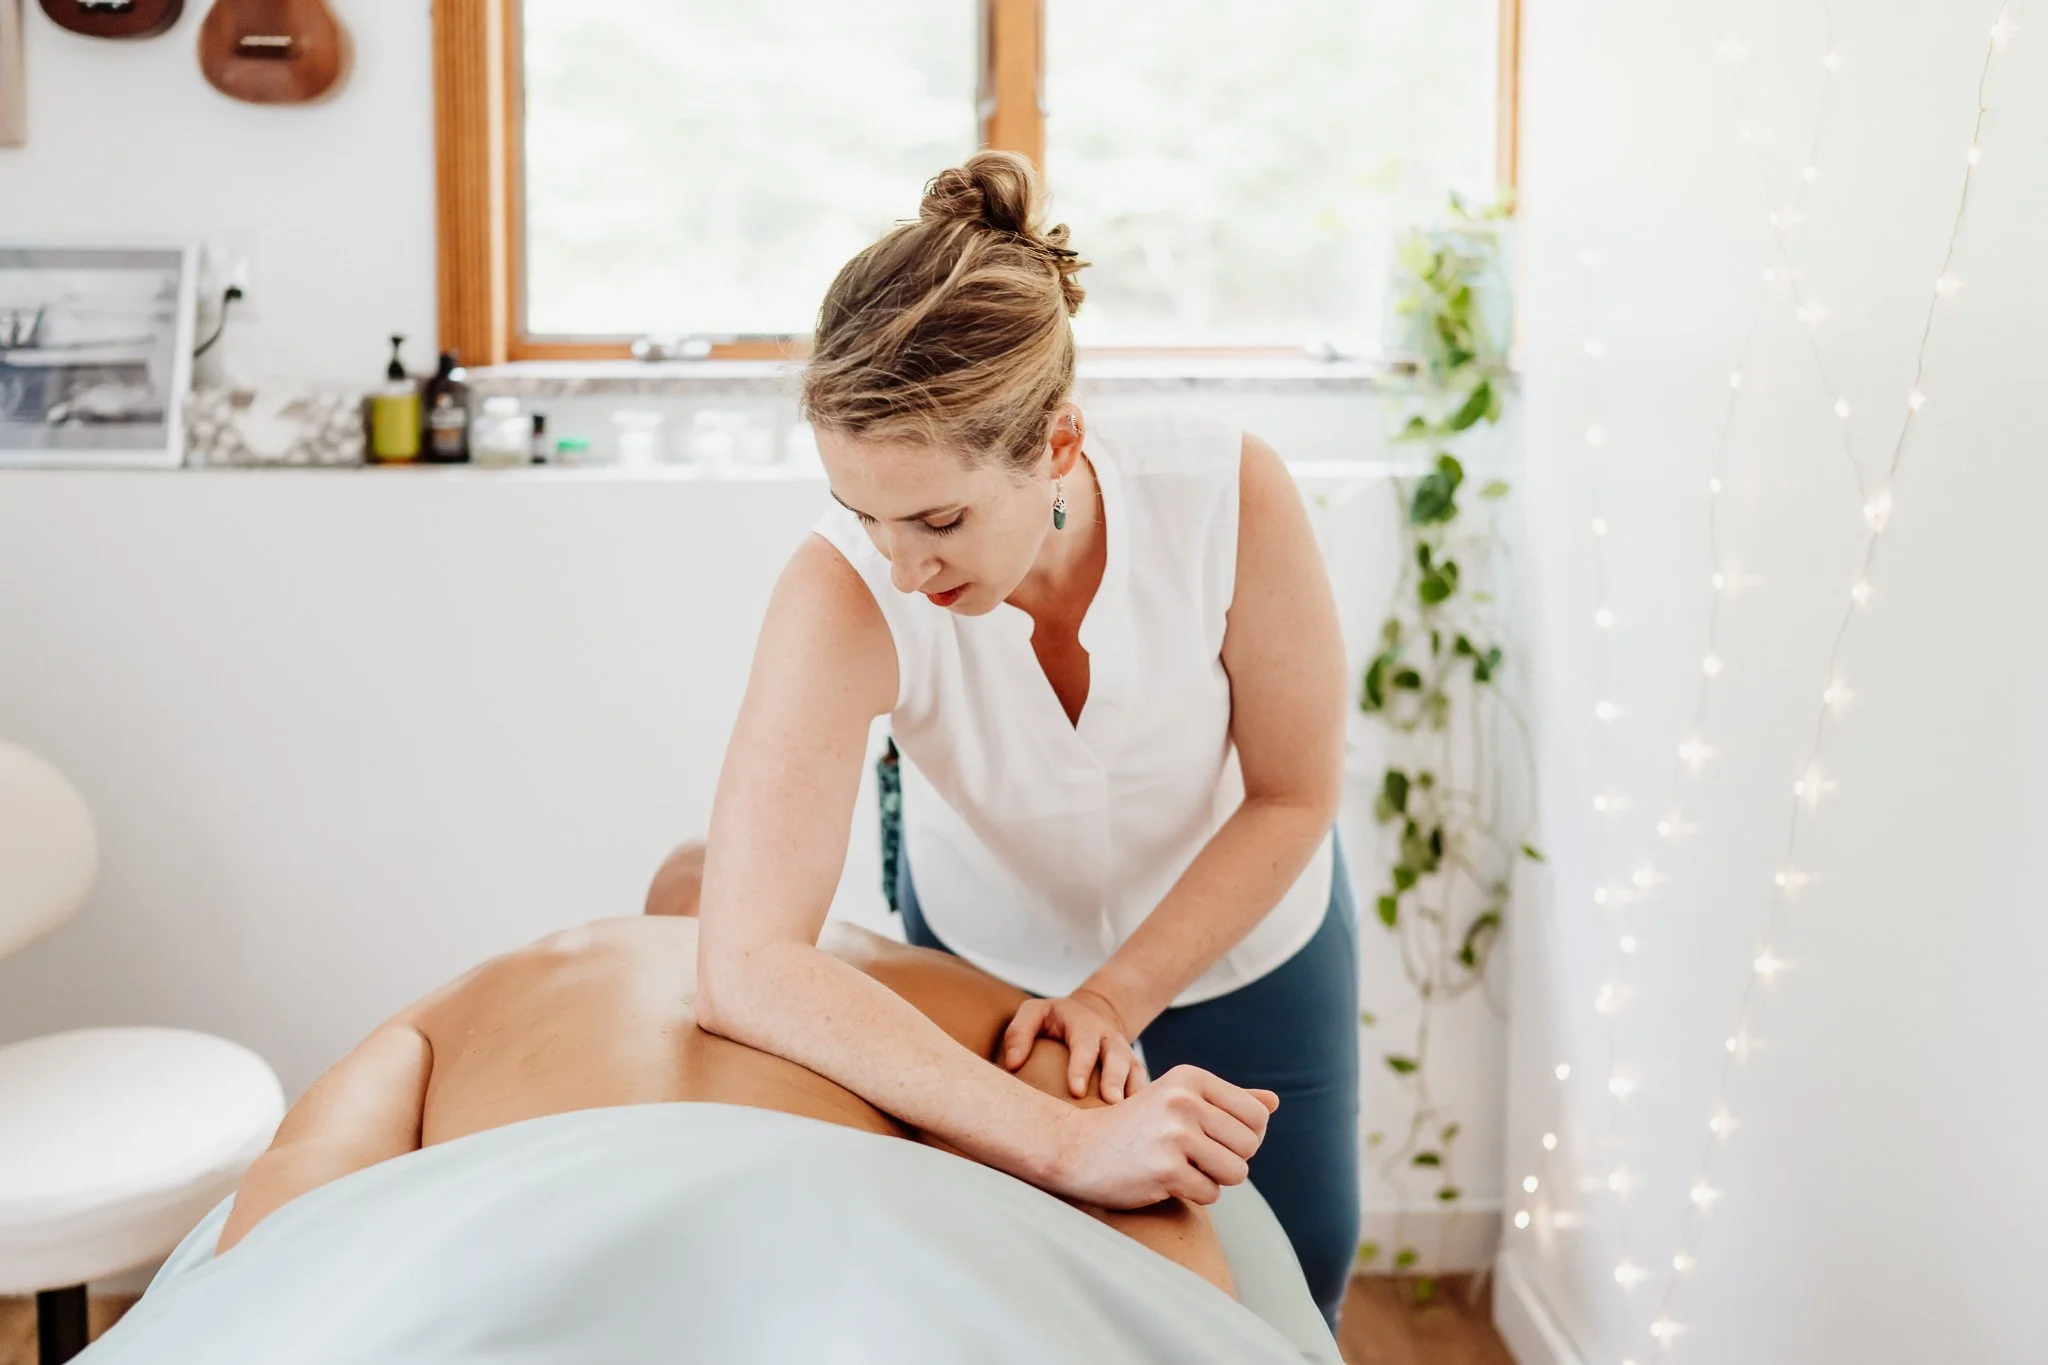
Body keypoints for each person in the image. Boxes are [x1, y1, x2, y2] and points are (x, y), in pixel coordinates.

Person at [692, 150, 1359, 1324]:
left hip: (1242, 945)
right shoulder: (845, 588)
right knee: (1024, 1313)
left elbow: (1293, 795)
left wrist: (1116, 995)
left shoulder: (1225, 495)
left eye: (938, 519)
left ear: (1055, 444)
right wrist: (1060, 1141)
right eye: (864, 513)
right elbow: (742, 962)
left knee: (1286, 1290)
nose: (900, 566)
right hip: (985, 962)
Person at [216, 876, 1268, 1299]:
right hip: (803, 1240)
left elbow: (303, 1195)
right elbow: (1108, 1155)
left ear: (647, 897)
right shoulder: (890, 984)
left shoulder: (504, 982)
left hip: (531, 1226)